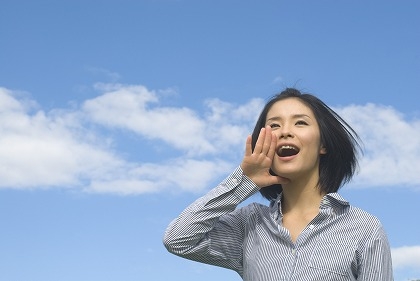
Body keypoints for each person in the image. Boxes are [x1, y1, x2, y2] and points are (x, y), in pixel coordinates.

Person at [163, 88, 393, 281]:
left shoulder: (365, 229)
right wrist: (244, 181)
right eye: (273, 126)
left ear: (323, 144)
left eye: (300, 123)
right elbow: (178, 240)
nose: (284, 132)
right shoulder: (249, 225)